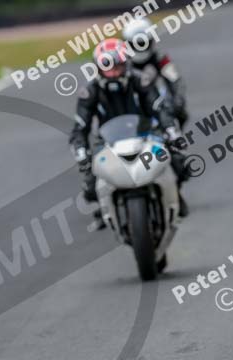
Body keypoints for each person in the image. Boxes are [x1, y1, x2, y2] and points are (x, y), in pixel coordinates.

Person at [69, 38, 190, 220]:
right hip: (107, 139)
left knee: (178, 161)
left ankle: (174, 195)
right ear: (98, 68)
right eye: (107, 68)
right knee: (90, 186)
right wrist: (81, 153)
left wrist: (171, 131)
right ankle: (106, 209)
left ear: (126, 64)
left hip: (146, 133)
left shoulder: (141, 81)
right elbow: (79, 129)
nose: (113, 72)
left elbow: (160, 109)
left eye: (117, 66)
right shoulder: (89, 92)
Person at [122, 18, 188, 128]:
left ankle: (173, 137)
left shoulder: (160, 58)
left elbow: (176, 80)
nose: (140, 46)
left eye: (143, 43)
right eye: (136, 44)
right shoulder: (121, 62)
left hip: (157, 101)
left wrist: (178, 101)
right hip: (129, 103)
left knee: (182, 115)